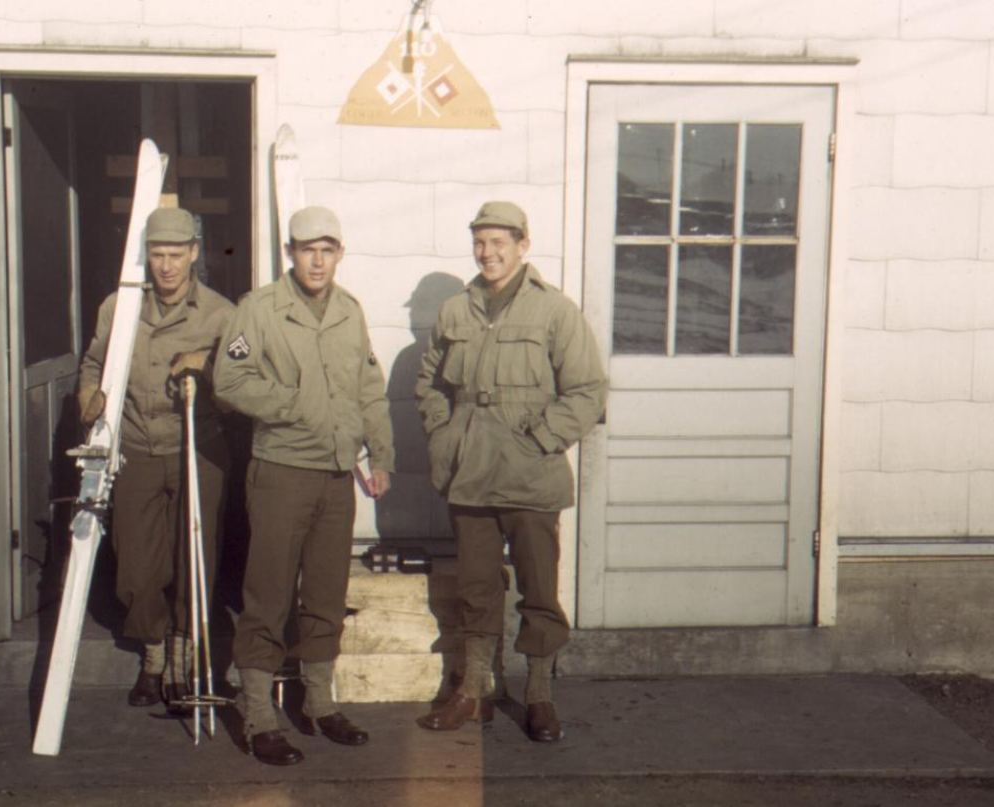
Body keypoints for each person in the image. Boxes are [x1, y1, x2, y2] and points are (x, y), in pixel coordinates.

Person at [413, 201, 607, 742]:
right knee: (476, 588)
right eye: (480, 241)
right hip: (470, 473)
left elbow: (588, 391)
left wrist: (543, 439)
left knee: (539, 589)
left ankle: (540, 695)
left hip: (530, 476)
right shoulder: (456, 311)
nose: (488, 252)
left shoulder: (555, 312)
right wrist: (443, 433)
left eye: (499, 242)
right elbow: (429, 384)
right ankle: (473, 690)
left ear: (523, 245)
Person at [213, 205, 394, 767]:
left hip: (337, 475)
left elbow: (370, 386)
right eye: (306, 249)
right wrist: (292, 407)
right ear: (290, 253)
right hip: (283, 472)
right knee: (266, 596)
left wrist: (381, 451)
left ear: (340, 253)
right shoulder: (260, 310)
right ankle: (259, 716)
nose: (317, 260)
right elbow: (229, 379)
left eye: (327, 249)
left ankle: (318, 702)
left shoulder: (348, 310)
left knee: (323, 594)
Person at [77, 206, 234, 714]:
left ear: (193, 254)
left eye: (176, 254)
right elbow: (96, 362)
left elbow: (243, 376)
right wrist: (88, 395)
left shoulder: (220, 313)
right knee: (138, 567)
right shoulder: (118, 308)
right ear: (145, 256)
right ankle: (152, 657)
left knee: (194, 556)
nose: (166, 266)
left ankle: (184, 660)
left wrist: (206, 367)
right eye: (157, 254)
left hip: (197, 447)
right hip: (139, 447)